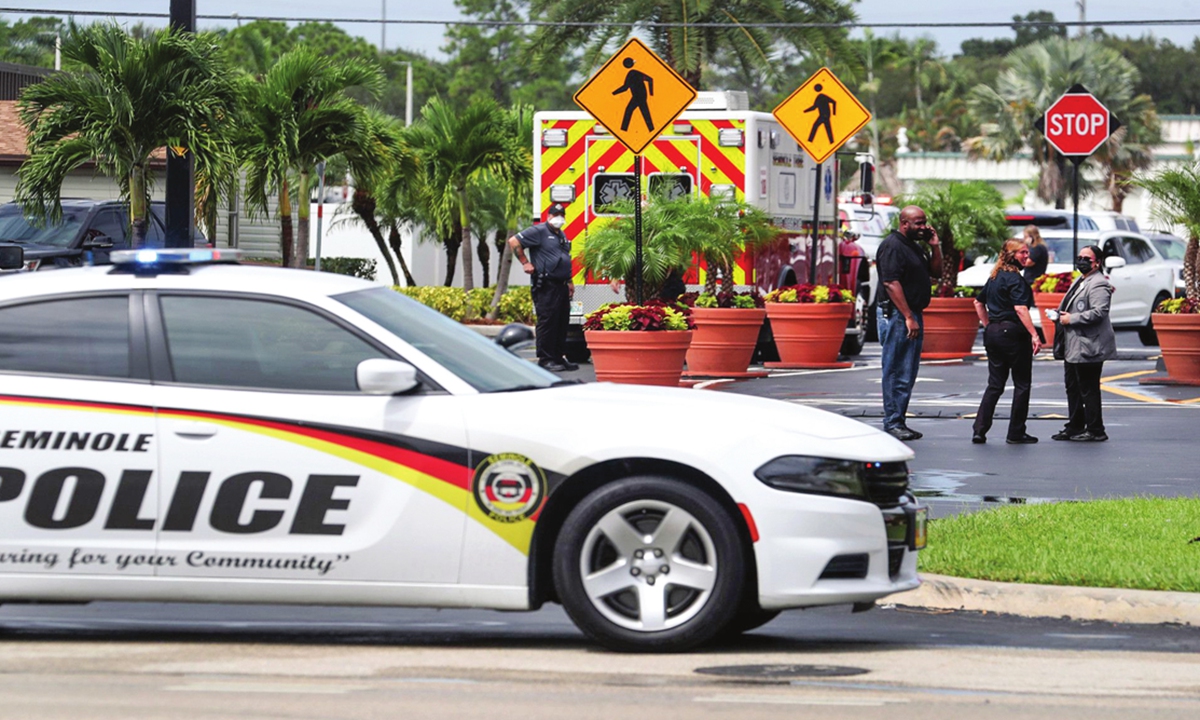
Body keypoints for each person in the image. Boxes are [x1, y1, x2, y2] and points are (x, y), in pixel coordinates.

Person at [875, 205, 943, 441]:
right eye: (918, 223)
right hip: (897, 314)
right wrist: (907, 317)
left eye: (925, 222)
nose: (924, 227)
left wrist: (935, 246)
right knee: (896, 370)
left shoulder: (914, 246)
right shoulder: (893, 246)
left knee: (907, 371)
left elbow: (936, 273)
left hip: (910, 313)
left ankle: (898, 420)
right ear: (904, 223)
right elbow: (891, 283)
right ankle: (893, 422)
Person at [971, 240, 1042, 444]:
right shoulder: (1015, 280)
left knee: (995, 384)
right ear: (1011, 255)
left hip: (993, 332)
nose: (1026, 257)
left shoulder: (994, 277)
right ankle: (1016, 431)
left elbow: (978, 302)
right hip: (1013, 333)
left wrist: (988, 324)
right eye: (1022, 253)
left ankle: (979, 429)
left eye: (1027, 253)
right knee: (1022, 383)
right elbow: (1021, 309)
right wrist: (1034, 335)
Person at [1052, 245, 1117, 442]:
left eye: (1086, 258)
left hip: (1088, 346)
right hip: (1073, 345)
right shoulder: (1080, 280)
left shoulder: (1098, 283)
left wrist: (1071, 319)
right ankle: (1075, 426)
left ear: (1097, 262)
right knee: (1072, 386)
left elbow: (1099, 312)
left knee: (1088, 388)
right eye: (1079, 257)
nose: (1081, 261)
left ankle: (1096, 429)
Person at [508, 203, 577, 373]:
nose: (558, 218)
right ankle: (546, 359)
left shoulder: (561, 235)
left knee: (561, 322)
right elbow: (513, 241)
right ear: (548, 216)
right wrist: (525, 262)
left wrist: (569, 281)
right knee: (548, 322)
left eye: (562, 215)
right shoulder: (539, 231)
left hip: (561, 285)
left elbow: (563, 258)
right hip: (546, 285)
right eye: (555, 215)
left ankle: (558, 357)